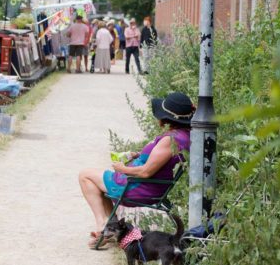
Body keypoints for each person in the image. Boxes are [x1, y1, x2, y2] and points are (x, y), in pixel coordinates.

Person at [78, 92, 195, 248]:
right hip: (147, 185)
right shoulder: (184, 135)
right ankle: (110, 227)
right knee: (94, 177)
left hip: (137, 187)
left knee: (85, 176)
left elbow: (146, 172)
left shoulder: (170, 140)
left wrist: (123, 168)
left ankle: (103, 227)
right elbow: (160, 161)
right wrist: (139, 155)